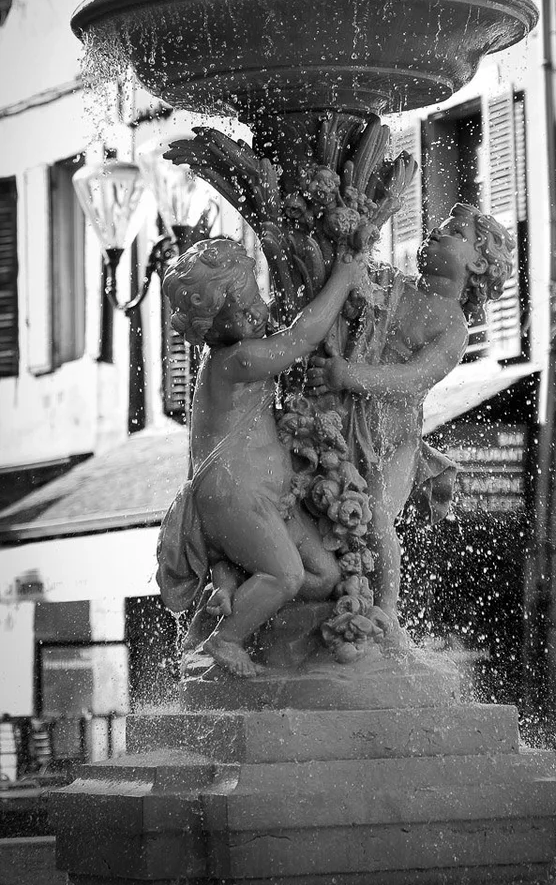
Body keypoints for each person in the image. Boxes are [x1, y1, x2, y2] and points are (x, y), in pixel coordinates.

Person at [157, 237, 365, 677]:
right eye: (245, 310)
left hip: (269, 497)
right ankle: (226, 638)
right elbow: (302, 338)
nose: (259, 313)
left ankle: (239, 593)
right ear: (210, 325)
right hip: (236, 493)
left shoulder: (233, 356)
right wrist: (344, 278)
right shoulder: (235, 361)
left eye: (258, 300)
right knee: (287, 576)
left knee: (325, 577)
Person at [307, 203, 513, 634]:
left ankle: (387, 613)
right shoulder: (393, 283)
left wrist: (348, 375)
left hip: (395, 438)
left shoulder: (453, 326)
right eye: (440, 226)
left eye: (455, 232)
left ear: (477, 264)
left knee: (378, 515)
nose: (436, 232)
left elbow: (411, 379)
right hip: (349, 415)